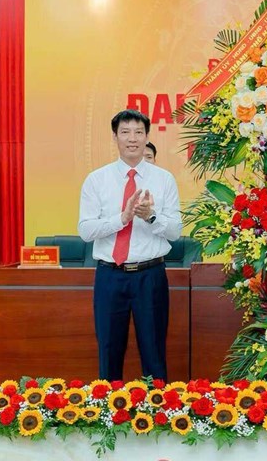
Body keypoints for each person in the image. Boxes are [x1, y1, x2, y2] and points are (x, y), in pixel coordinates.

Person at [78, 109, 182, 381]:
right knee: (109, 351)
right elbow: (86, 230)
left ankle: (158, 406)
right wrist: (122, 219)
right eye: (125, 132)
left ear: (147, 136)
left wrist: (151, 216)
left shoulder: (164, 179)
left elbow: (175, 232)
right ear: (115, 137)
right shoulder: (96, 180)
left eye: (138, 132)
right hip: (110, 275)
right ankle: (109, 406)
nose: (132, 139)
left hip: (151, 276)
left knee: (154, 352)